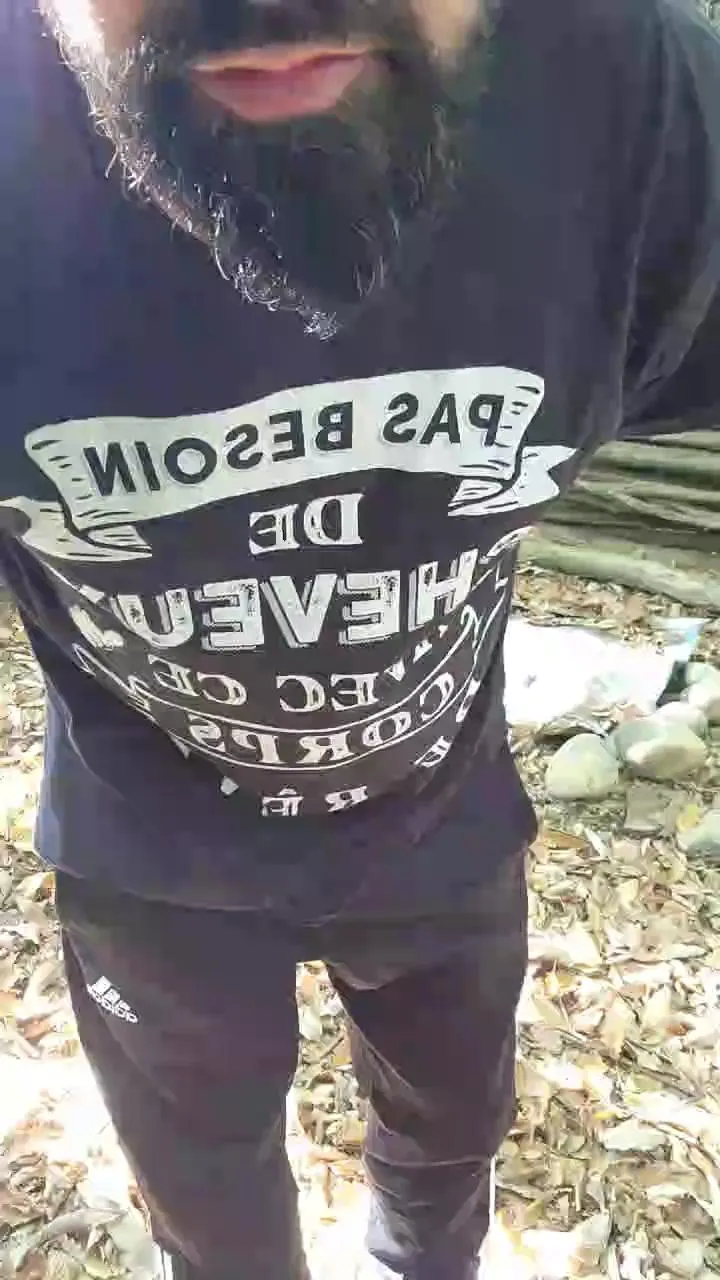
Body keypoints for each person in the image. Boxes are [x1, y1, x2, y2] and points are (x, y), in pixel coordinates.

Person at [1, 0, 720, 1274]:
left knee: (449, 1146)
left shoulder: (636, 111)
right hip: (147, 851)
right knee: (209, 1209)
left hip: (443, 822)